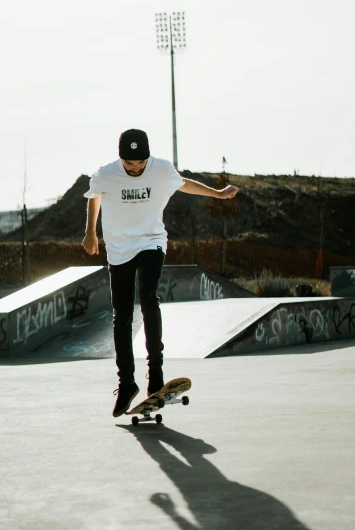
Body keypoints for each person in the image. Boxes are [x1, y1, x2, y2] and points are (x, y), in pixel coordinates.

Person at [82, 129, 239, 418]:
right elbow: (94, 198)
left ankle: (155, 374)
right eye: (130, 164)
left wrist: (216, 193)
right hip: (119, 249)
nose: (136, 168)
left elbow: (184, 184)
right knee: (122, 315)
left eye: (141, 163)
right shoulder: (106, 174)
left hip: (152, 241)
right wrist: (90, 232)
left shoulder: (161, 168)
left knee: (149, 296)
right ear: (121, 159)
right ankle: (126, 383)